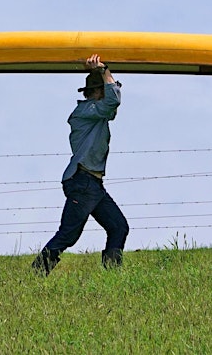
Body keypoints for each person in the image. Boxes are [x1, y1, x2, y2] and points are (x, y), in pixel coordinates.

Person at [32, 54, 129, 276]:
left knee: (118, 227)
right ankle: (37, 274)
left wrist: (106, 72)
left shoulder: (96, 113)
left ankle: (112, 278)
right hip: (83, 181)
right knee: (68, 235)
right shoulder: (85, 112)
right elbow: (113, 101)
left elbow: (111, 105)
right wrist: (104, 70)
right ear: (96, 93)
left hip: (92, 184)